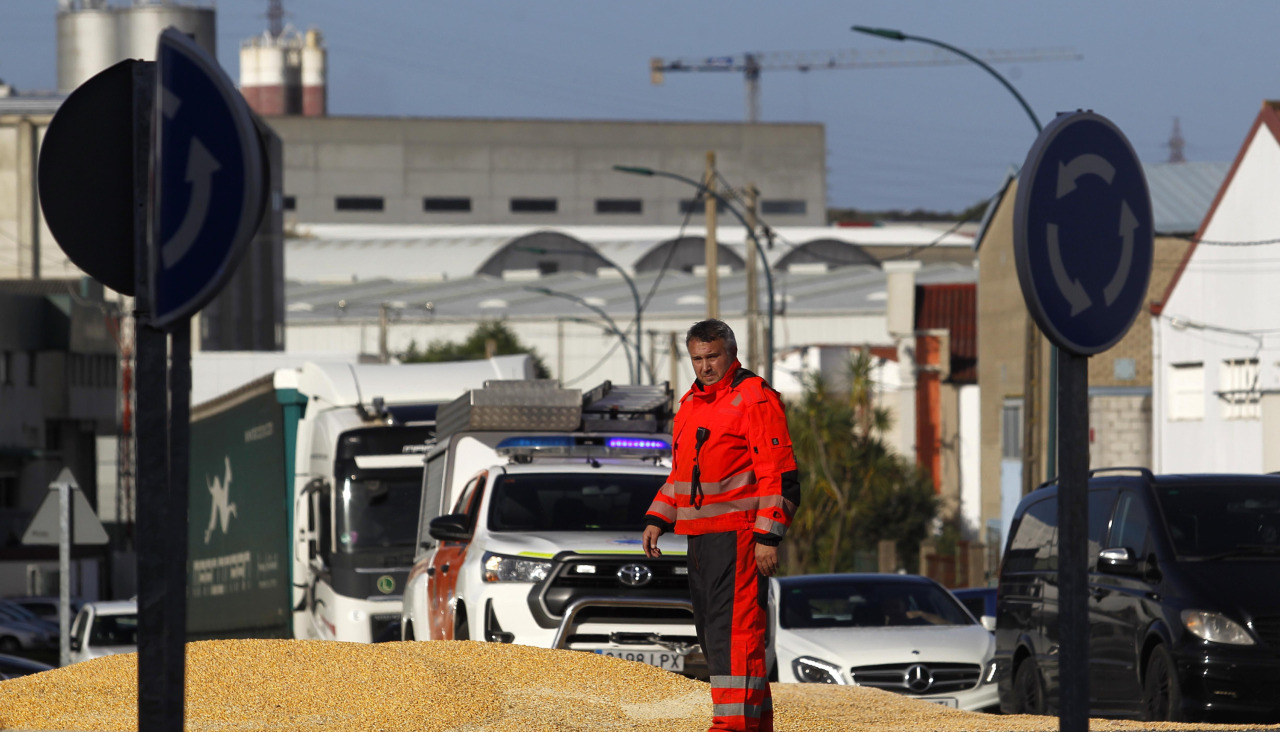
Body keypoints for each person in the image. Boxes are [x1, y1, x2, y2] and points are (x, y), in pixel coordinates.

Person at [642, 319, 800, 732]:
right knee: (713, 632)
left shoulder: (754, 398)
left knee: (736, 633)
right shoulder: (692, 403)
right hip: (700, 539)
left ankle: (730, 724)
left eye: (712, 356)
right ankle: (753, 722)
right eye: (697, 358)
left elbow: (779, 475)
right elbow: (680, 475)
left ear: (731, 353)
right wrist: (659, 517)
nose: (705, 366)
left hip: (741, 537)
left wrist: (768, 536)